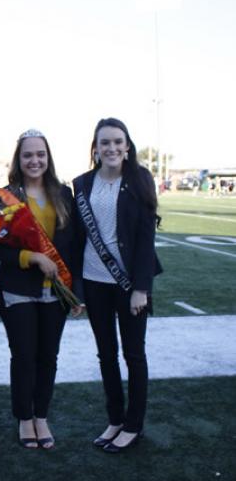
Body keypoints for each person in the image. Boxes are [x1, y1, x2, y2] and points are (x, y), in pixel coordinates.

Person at [71, 117, 162, 453]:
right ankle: (115, 419)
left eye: (117, 142)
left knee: (134, 355)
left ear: (127, 146)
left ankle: (133, 426)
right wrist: (76, 290)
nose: (111, 148)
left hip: (129, 286)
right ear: (95, 148)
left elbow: (145, 239)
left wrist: (142, 287)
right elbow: (78, 239)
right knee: (106, 355)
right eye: (104, 142)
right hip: (94, 283)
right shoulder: (81, 184)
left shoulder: (139, 179)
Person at [0, 129, 83, 449]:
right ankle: (24, 418)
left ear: (49, 157)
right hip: (18, 290)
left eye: (40, 154)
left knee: (48, 356)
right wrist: (30, 257)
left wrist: (75, 293)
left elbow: (73, 247)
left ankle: (41, 416)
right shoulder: (5, 196)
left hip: (55, 291)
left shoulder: (64, 194)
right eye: (28, 154)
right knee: (24, 356)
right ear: (18, 159)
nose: (35, 160)